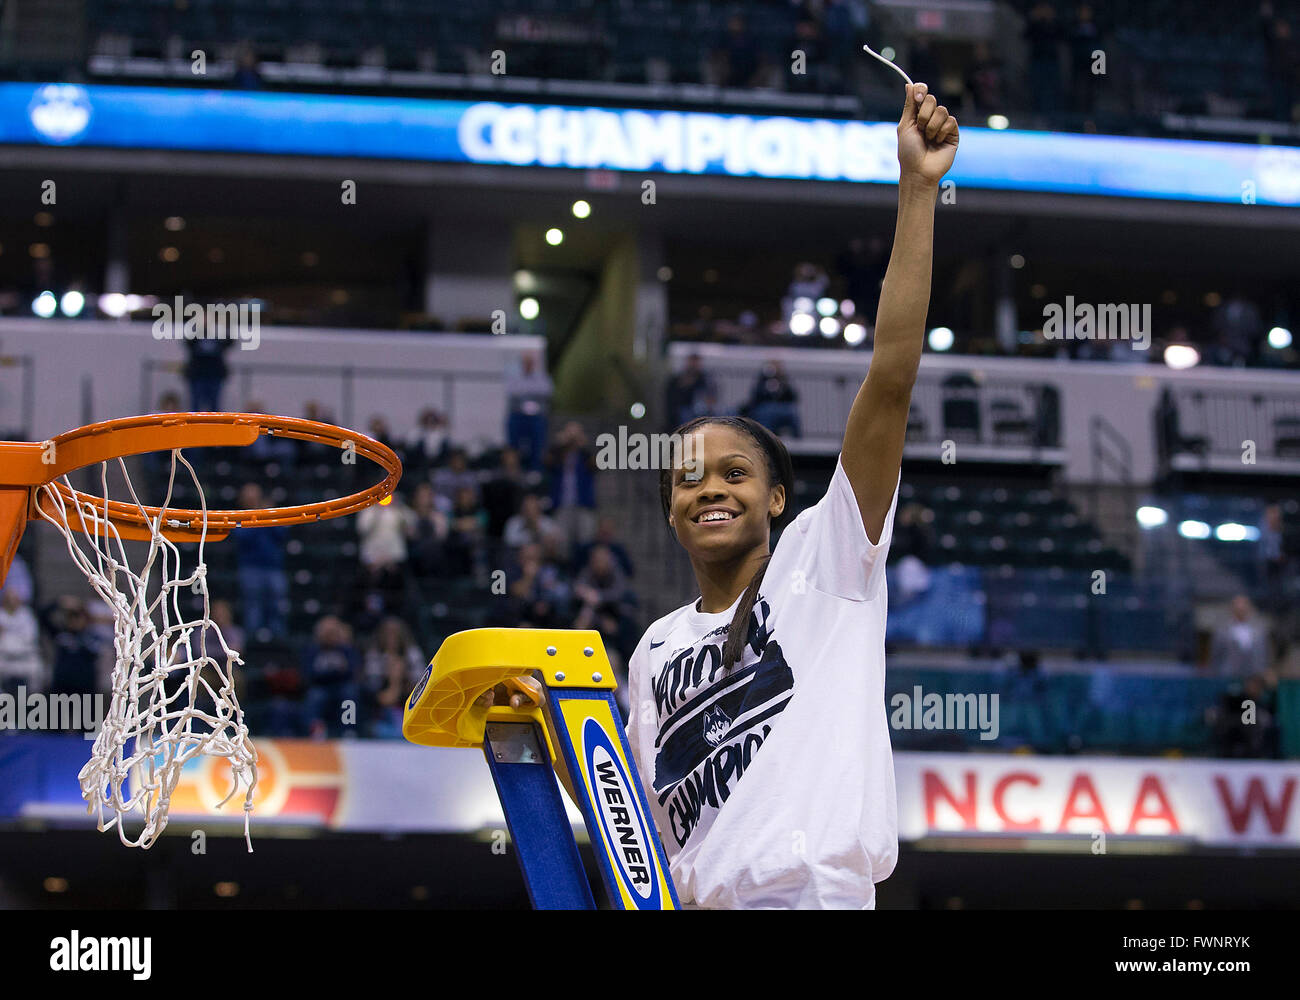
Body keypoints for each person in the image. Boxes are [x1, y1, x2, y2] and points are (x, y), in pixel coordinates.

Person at [482, 79, 959, 909]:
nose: (708, 490)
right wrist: (540, 729)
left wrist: (917, 189)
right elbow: (632, 810)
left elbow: (891, 375)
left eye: (734, 473)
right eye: (686, 479)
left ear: (778, 499)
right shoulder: (656, 649)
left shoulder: (828, 558)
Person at [232, 483, 289, 640]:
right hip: (250, 567)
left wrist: (268, 517)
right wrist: (259, 519)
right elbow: (242, 538)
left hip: (274, 567)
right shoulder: (239, 516)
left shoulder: (270, 513)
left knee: (277, 603)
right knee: (252, 604)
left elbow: (282, 534)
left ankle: (278, 637)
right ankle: (253, 638)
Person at [302, 615, 363, 739]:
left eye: (333, 632)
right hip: (320, 686)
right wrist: (336, 672)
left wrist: (328, 674)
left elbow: (352, 672)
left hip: (343, 685)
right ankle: (316, 730)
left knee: (350, 694)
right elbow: (309, 674)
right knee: (315, 696)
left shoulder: (347, 650)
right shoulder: (313, 650)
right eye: (326, 633)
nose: (329, 636)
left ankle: (348, 729)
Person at [504, 354, 553, 472]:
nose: (528, 365)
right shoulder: (514, 377)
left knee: (537, 443)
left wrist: (525, 394)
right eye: (526, 362)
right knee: (513, 442)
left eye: (530, 362)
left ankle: (536, 469)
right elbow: (511, 393)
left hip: (536, 416)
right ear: (522, 363)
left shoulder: (541, 377)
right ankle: (513, 469)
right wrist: (531, 394)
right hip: (518, 414)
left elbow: (547, 392)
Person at [1208, 596, 1271, 678]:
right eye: (1238, 608)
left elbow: (1265, 654)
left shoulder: (1260, 629)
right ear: (1232, 609)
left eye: (1243, 608)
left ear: (1249, 608)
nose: (1241, 611)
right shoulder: (1222, 630)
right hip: (1228, 675)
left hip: (1254, 677)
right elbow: (1216, 655)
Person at [0, 587, 43, 697]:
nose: (11, 601)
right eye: (9, 599)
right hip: (3, 657)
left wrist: (7, 636)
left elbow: (30, 637)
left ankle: (33, 700)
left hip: (24, 657)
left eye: (14, 598)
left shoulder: (26, 615)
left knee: (37, 669)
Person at [740, 360, 801, 437]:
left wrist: (781, 389)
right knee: (766, 413)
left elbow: (793, 397)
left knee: (792, 413)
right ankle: (767, 437)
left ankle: (798, 441)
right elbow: (755, 397)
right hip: (765, 409)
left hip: (781, 409)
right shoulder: (762, 381)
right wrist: (766, 390)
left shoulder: (783, 380)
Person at [665, 353, 718, 429]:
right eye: (692, 362)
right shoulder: (677, 380)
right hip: (680, 413)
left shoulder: (705, 380)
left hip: (700, 412)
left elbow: (711, 397)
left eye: (696, 363)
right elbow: (671, 398)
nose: (693, 365)